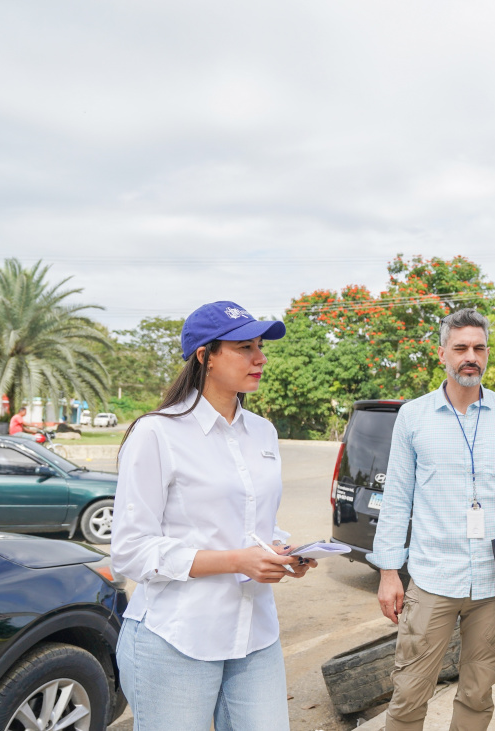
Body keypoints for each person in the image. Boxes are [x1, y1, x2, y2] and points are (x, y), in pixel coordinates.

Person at [111, 301, 318, 731]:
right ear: (205, 356)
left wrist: (281, 552)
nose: (260, 358)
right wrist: (237, 561)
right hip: (176, 637)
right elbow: (131, 552)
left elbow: (256, 524)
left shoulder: (263, 431)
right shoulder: (157, 433)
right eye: (245, 347)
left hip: (255, 634)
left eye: (260, 346)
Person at [369, 308, 495, 731]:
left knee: (477, 694)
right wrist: (388, 572)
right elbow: (396, 499)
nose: (470, 356)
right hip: (433, 577)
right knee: (408, 696)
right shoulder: (414, 416)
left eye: (478, 348)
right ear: (442, 354)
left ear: (487, 353)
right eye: (460, 348)